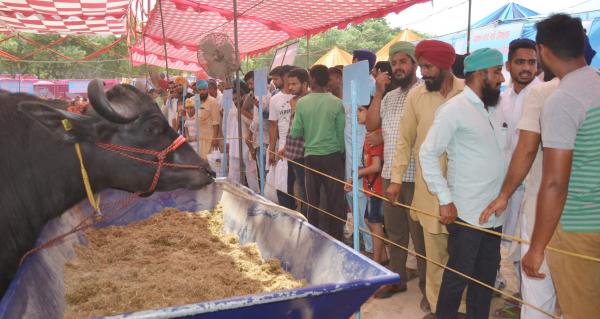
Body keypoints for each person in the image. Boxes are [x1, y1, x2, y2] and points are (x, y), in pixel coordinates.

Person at [521, 14, 600, 319]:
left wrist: (537, 247)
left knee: (582, 310)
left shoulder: (562, 99)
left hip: (579, 229)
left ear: (544, 51)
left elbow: (555, 182)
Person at [420, 48, 506, 319]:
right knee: (458, 279)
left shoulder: (496, 107)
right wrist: (445, 199)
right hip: (467, 212)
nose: (502, 78)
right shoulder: (454, 109)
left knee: (485, 280)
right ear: (480, 74)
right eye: (497, 72)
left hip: (495, 213)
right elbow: (428, 153)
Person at [386, 40, 465, 318]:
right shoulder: (416, 96)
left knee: (462, 255)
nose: (424, 73)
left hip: (465, 191)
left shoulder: (467, 92)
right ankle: (437, 307)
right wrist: (395, 179)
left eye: (428, 67)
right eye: (421, 67)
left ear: (447, 65)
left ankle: (463, 308)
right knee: (434, 257)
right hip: (429, 192)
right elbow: (405, 141)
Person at [365, 41, 427, 303]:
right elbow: (371, 125)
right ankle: (398, 279)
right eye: (394, 63)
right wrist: (378, 92)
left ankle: (428, 289)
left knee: (420, 237)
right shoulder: (389, 96)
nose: (398, 67)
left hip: (415, 177)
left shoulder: (425, 92)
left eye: (403, 61)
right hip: (390, 174)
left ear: (414, 64)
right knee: (396, 232)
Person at [290, 65, 346, 240]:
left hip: (311, 157)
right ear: (327, 80)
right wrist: (341, 153)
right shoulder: (337, 102)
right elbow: (341, 132)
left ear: (311, 79)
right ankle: (336, 238)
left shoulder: (302, 103)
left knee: (311, 201)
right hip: (333, 157)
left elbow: (295, 132)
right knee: (335, 201)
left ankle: (312, 236)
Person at [345, 103, 387, 264]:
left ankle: (377, 260)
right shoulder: (370, 135)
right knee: (371, 221)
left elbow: (376, 166)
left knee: (375, 223)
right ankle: (382, 256)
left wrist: (358, 173)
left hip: (376, 189)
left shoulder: (374, 137)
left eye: (361, 110)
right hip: (371, 188)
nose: (357, 114)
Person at [268, 65, 297, 209]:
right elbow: (273, 126)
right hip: (282, 148)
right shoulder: (275, 99)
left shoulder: (300, 96)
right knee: (282, 185)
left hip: (299, 147)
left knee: (297, 186)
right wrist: (271, 149)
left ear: (285, 77)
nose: (274, 82)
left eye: (276, 79)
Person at [284, 68, 310, 216]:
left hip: (304, 151)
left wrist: (295, 110)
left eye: (294, 84)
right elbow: (291, 127)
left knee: (305, 189)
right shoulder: (293, 100)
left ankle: (307, 219)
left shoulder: (308, 101)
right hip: (293, 151)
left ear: (305, 84)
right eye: (289, 84)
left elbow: (302, 128)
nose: (290, 87)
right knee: (299, 187)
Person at [192, 80, 222, 159]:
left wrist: (215, 138)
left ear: (207, 90)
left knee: (211, 163)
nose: (202, 92)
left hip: (210, 139)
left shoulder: (213, 101)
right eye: (200, 90)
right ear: (197, 91)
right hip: (200, 138)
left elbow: (216, 122)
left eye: (204, 89)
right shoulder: (196, 101)